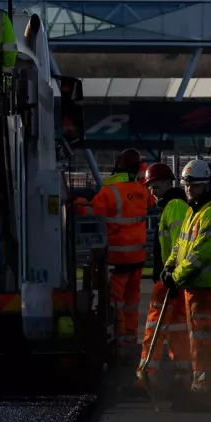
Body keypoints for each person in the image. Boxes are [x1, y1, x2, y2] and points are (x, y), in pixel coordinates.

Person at [161, 159, 211, 411]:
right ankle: (208, 387)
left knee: (204, 340)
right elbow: (180, 246)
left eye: (196, 185)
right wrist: (169, 266)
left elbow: (200, 255)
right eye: (187, 185)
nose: (190, 190)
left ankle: (206, 390)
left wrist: (176, 276)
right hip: (195, 287)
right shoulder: (194, 211)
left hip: (207, 287)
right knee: (199, 338)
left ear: (207, 185)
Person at [90, 148, 155, 362]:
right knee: (132, 303)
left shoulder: (108, 193)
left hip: (117, 262)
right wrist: (141, 170)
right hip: (137, 260)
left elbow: (93, 219)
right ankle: (129, 341)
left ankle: (118, 342)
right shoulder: (142, 191)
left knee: (115, 303)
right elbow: (151, 199)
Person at [134, 162, 192, 400]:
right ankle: (182, 375)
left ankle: (146, 376)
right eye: (149, 188)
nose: (152, 192)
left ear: (169, 184)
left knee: (153, 329)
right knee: (178, 331)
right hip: (176, 281)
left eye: (155, 186)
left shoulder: (175, 206)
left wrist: (172, 275)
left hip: (169, 281)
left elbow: (180, 243)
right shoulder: (174, 205)